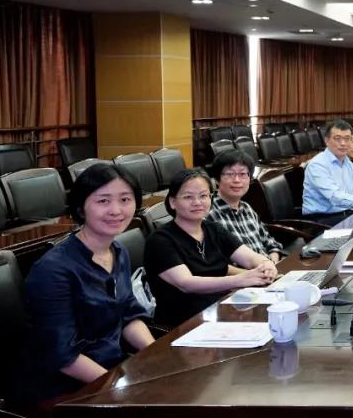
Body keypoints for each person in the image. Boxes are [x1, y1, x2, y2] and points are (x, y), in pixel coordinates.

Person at [18, 163, 155, 405]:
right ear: (81, 208)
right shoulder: (53, 270)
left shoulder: (118, 251)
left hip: (111, 370)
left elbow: (128, 314)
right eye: (103, 201)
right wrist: (119, 388)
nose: (116, 210)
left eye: (125, 199)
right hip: (65, 390)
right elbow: (62, 355)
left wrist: (158, 355)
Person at [145, 169, 279, 328]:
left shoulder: (213, 229)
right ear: (173, 202)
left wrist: (267, 264)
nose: (197, 202)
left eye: (203, 196)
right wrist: (240, 280)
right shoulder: (160, 240)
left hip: (222, 310)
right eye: (188, 197)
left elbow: (250, 258)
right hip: (184, 323)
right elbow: (187, 283)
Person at [207, 151, 286, 263]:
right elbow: (216, 263)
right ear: (216, 179)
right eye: (230, 174)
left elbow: (271, 244)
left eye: (243, 174)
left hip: (270, 268)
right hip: (246, 273)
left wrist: (273, 263)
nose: (237, 180)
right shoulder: (209, 214)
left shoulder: (246, 208)